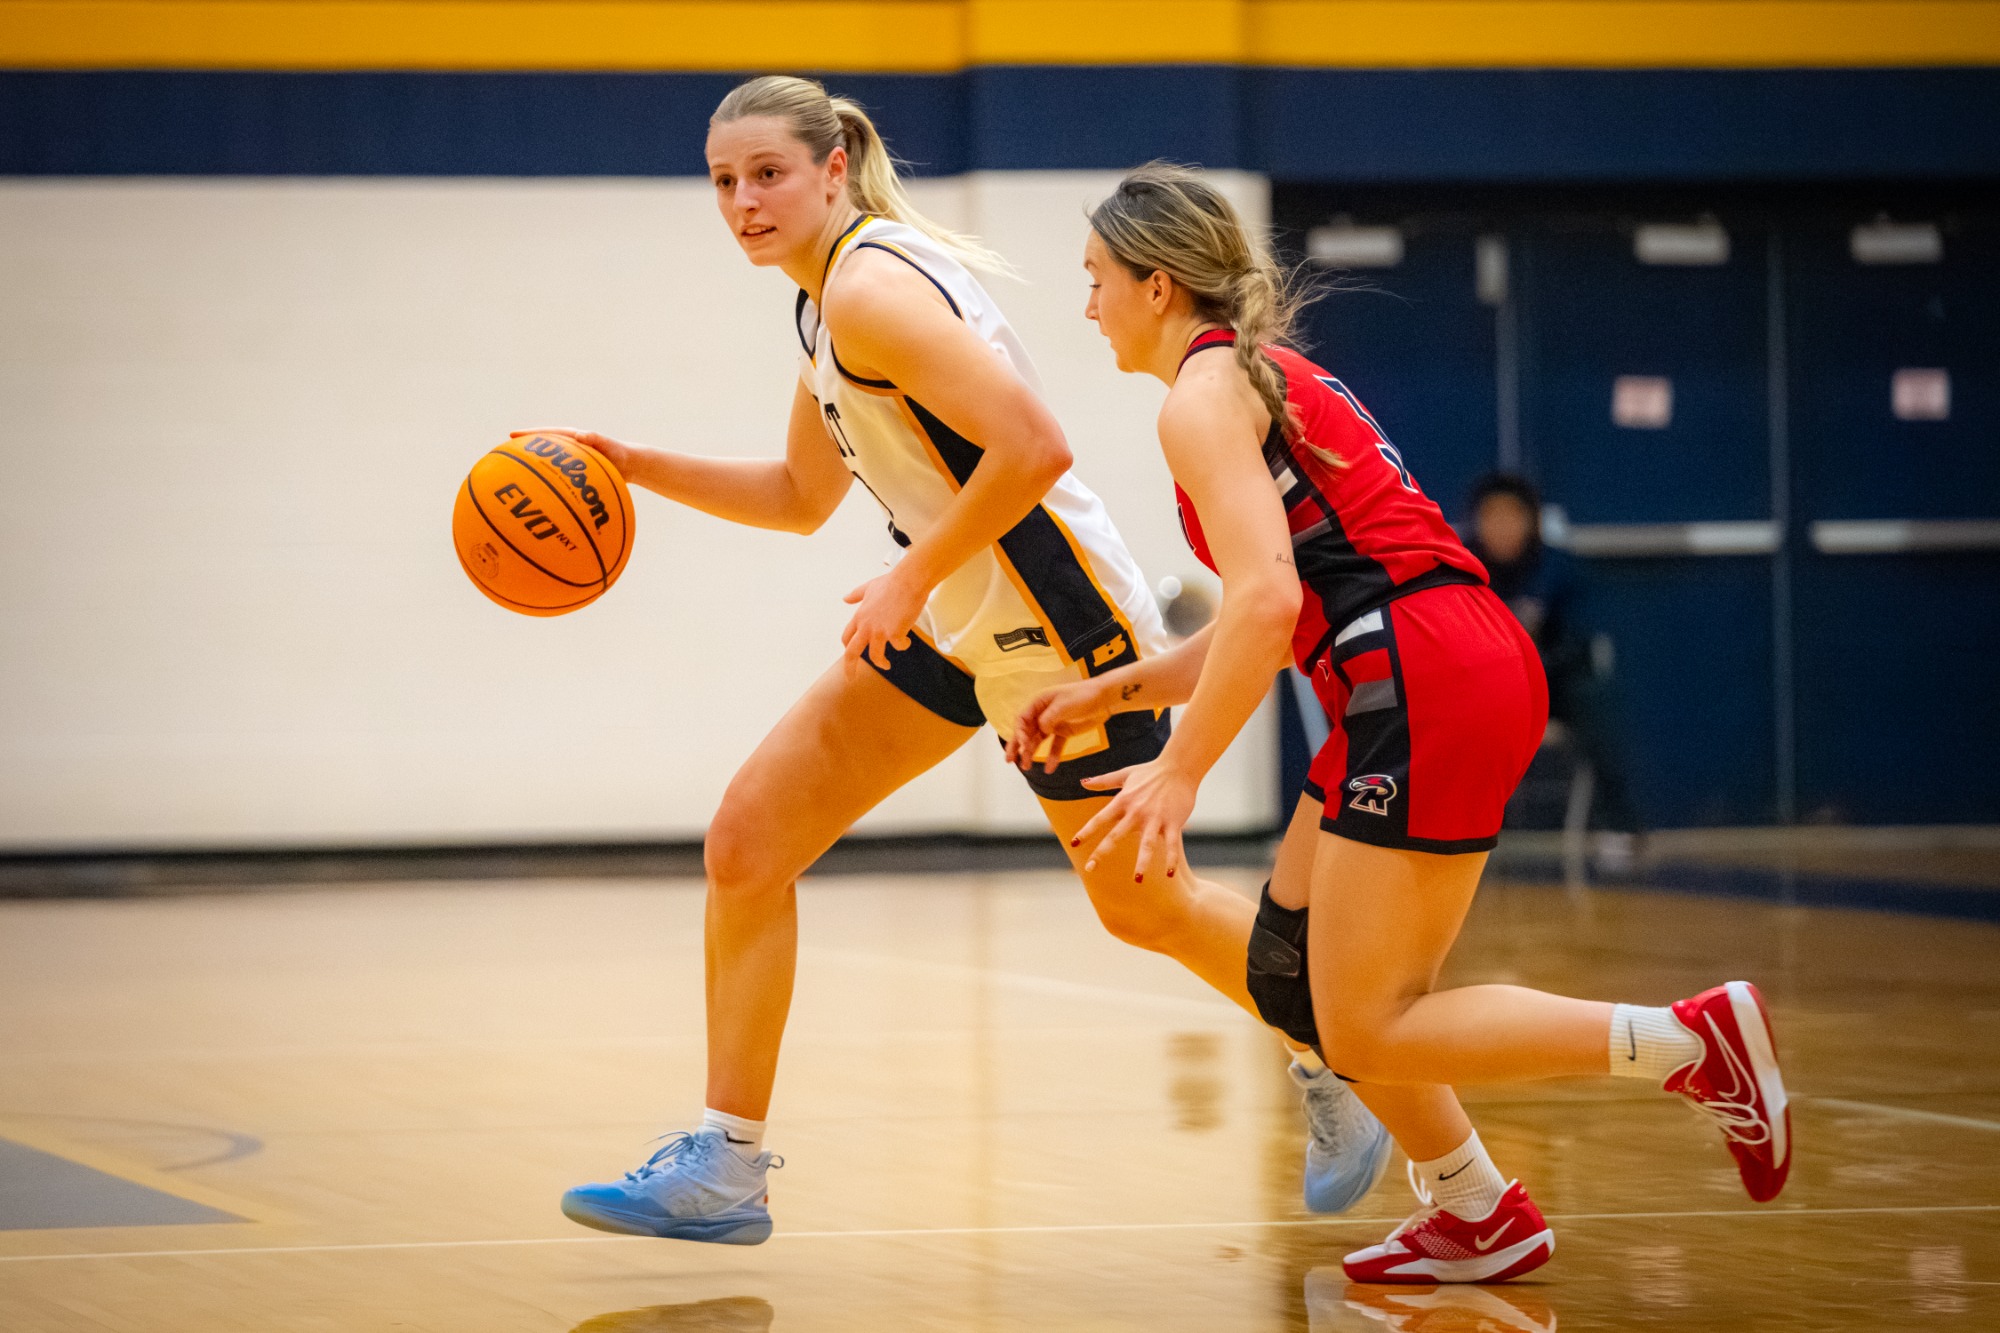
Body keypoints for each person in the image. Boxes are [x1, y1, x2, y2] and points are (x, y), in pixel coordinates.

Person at [534, 79, 1388, 1246]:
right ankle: (726, 1166)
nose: (742, 200)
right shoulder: (824, 301)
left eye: (767, 174)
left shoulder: (872, 292)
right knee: (747, 842)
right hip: (960, 612)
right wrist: (633, 464)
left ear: (833, 171)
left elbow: (1035, 445)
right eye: (723, 179)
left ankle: (1346, 1060)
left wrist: (907, 573)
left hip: (1058, 621)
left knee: (1144, 906)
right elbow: (797, 498)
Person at [1009, 164, 1791, 1283]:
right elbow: (1271, 616)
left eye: (1095, 279)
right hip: (1438, 658)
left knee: (1366, 1021)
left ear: (1156, 284)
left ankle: (1683, 1040)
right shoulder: (1263, 377)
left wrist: (1178, 772)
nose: (1086, 305)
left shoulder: (1198, 400)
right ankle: (1478, 1211)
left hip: (1413, 673)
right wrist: (1109, 694)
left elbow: (1268, 600)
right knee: (1291, 981)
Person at [1465, 473, 1644, 865]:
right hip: (1484, 691)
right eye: (1492, 517)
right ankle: (1446, 824)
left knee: (1595, 696)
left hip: (1549, 685)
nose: (1502, 528)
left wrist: (1536, 664)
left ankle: (1619, 823)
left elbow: (1581, 639)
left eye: (1512, 517)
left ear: (1532, 521)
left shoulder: (1558, 569)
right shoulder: (1461, 569)